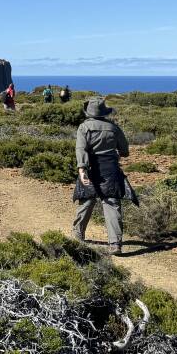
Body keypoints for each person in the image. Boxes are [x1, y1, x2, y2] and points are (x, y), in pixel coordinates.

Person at [73, 97, 133, 254]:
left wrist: (82, 169)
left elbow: (81, 149)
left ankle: (78, 236)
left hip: (91, 167)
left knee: (86, 201)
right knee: (112, 203)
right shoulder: (113, 128)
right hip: (110, 168)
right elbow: (125, 151)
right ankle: (115, 244)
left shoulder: (83, 128)